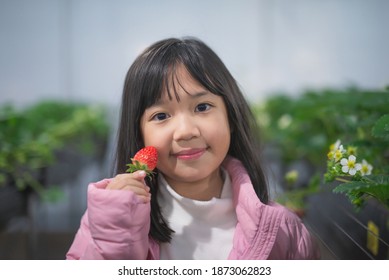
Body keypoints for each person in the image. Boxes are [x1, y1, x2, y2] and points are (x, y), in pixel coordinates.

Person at [66, 37, 320, 260]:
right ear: (139, 133)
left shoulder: (284, 231)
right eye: (161, 115)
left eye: (202, 107)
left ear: (231, 116)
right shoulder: (105, 221)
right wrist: (116, 234)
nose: (186, 131)